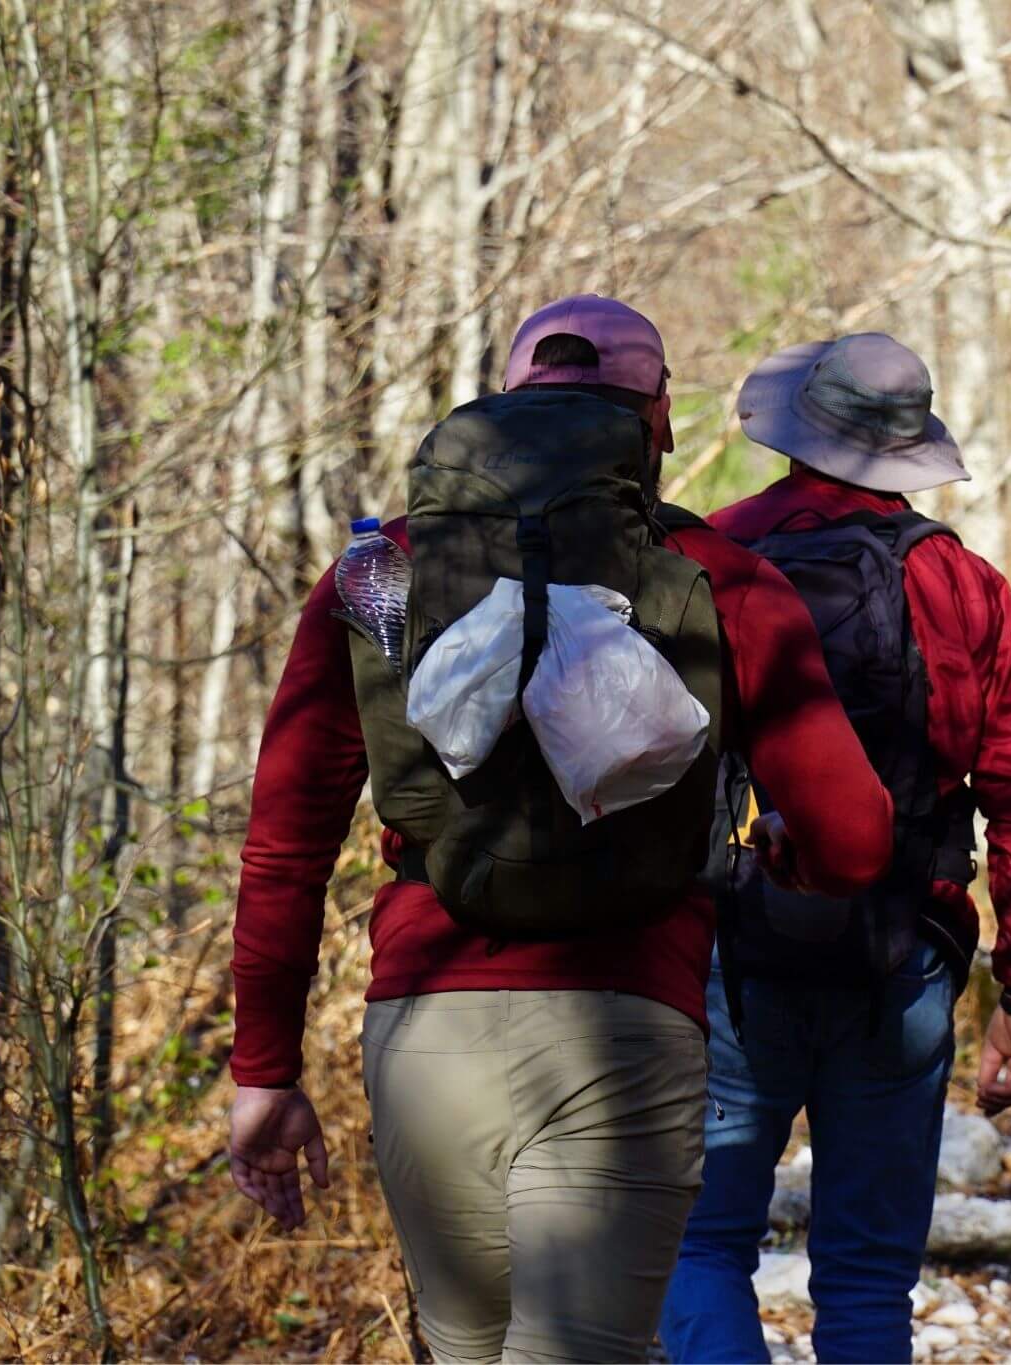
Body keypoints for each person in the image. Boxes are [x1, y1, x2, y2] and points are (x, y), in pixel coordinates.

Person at [225, 296, 895, 1364]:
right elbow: (855, 836)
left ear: (501, 404)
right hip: (626, 1028)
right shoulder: (718, 577)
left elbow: (285, 846)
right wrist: (781, 858)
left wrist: (263, 1067)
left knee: (468, 1351)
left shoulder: (375, 575)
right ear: (657, 421)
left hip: (425, 1031)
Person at [660, 332, 1011, 1363]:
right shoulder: (961, 583)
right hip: (905, 950)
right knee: (865, 1278)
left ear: (798, 430)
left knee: (701, 1249)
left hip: (731, 949)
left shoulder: (709, 554)